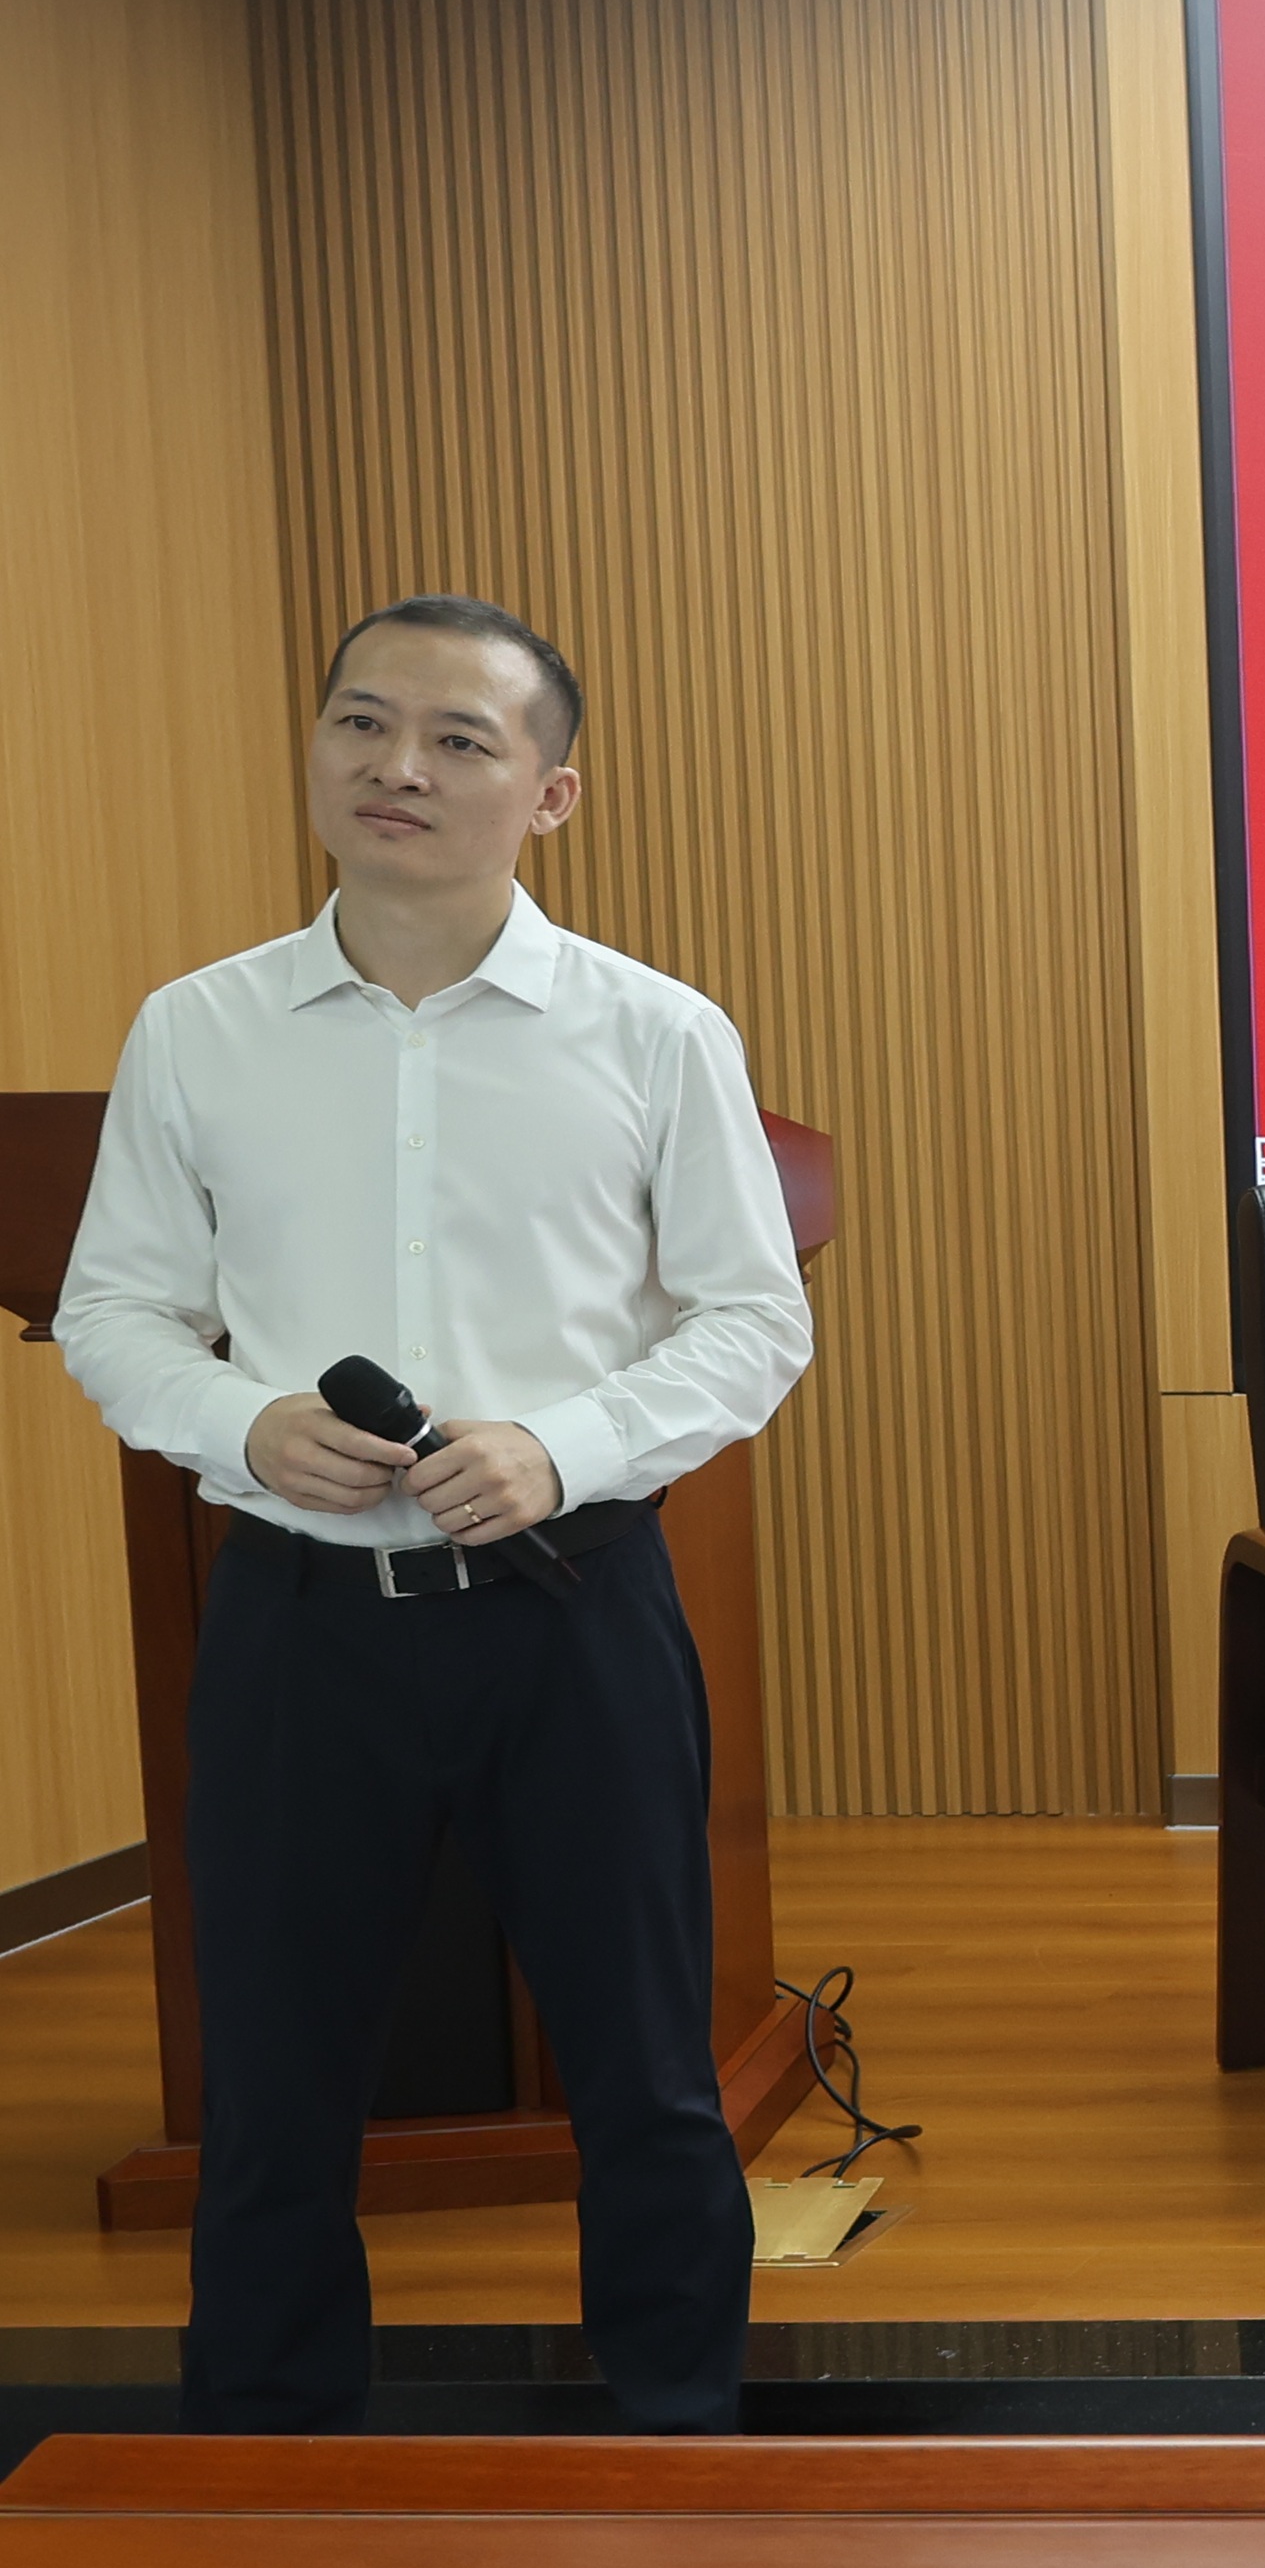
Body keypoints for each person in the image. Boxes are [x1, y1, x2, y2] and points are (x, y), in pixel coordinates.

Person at [58, 597, 813, 2432]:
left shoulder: (655, 1031)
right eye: (362, 722)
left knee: (647, 2072)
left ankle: (681, 2438)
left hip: (573, 1606)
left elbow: (751, 1318)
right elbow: (115, 1310)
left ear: (550, 794)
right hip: (301, 1623)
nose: (397, 766)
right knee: (274, 2086)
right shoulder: (199, 1029)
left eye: (460, 739)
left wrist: (564, 1443)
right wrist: (244, 1421)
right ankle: (269, 2458)